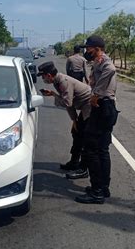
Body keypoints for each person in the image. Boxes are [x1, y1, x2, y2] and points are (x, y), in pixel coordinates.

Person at [73, 35, 119, 204]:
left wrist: (97, 93)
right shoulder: (98, 62)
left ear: (97, 48)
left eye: (88, 48)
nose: (86, 51)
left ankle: (97, 191)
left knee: (92, 149)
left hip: (103, 108)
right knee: (102, 150)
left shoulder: (106, 62)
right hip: (105, 108)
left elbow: (111, 70)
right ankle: (103, 188)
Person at [37, 61, 91, 172]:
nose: (43, 79)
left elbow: (67, 103)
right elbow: (69, 104)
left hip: (89, 106)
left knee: (85, 137)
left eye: (43, 76)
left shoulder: (63, 82)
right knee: (76, 133)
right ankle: (74, 162)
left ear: (48, 75)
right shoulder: (57, 81)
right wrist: (74, 120)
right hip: (83, 106)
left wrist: (54, 95)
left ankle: (83, 167)